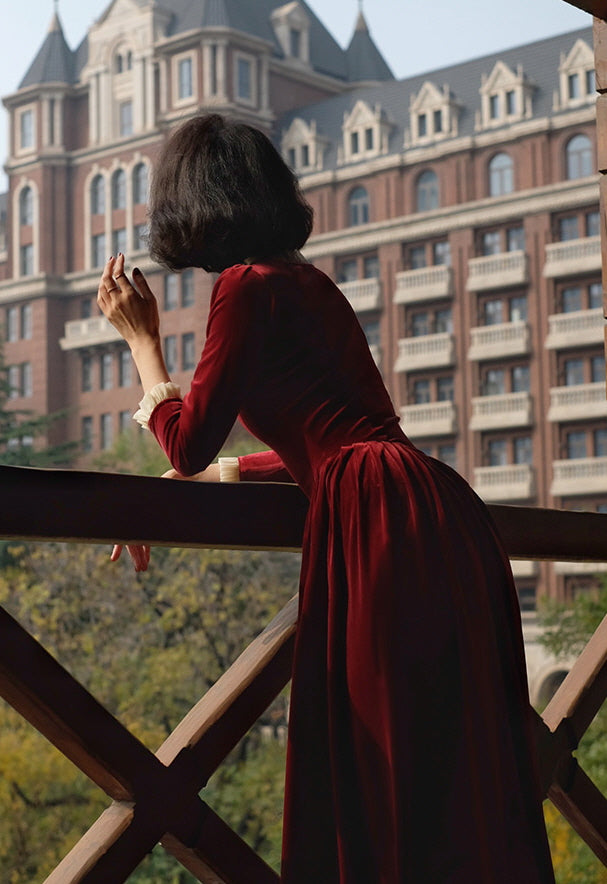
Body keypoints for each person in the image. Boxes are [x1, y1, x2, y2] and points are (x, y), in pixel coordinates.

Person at [97, 113, 554, 883]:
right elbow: (332, 438)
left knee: (381, 746)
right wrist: (214, 478)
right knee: (450, 748)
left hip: (375, 519)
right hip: (434, 505)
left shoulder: (241, 287)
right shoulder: (308, 282)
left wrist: (142, 342)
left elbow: (186, 440)